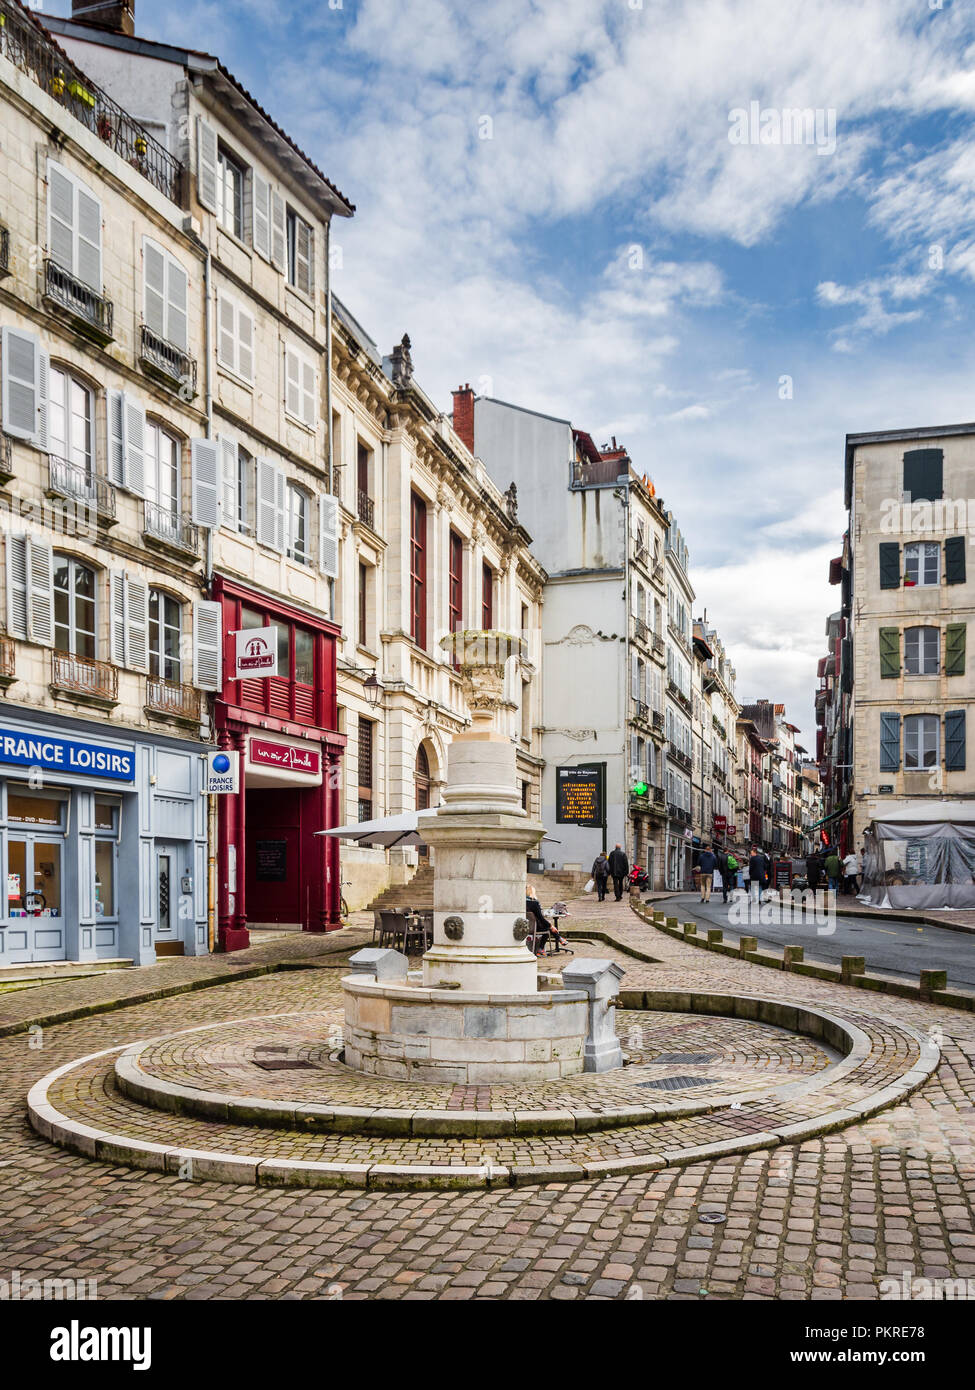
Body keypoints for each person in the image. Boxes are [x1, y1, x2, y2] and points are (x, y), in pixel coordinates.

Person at [525, 891, 551, 956]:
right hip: (536, 928)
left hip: (525, 927)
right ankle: (541, 948)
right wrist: (550, 925)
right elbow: (541, 918)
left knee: (548, 926)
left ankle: (559, 938)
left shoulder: (521, 903)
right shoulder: (534, 903)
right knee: (548, 928)